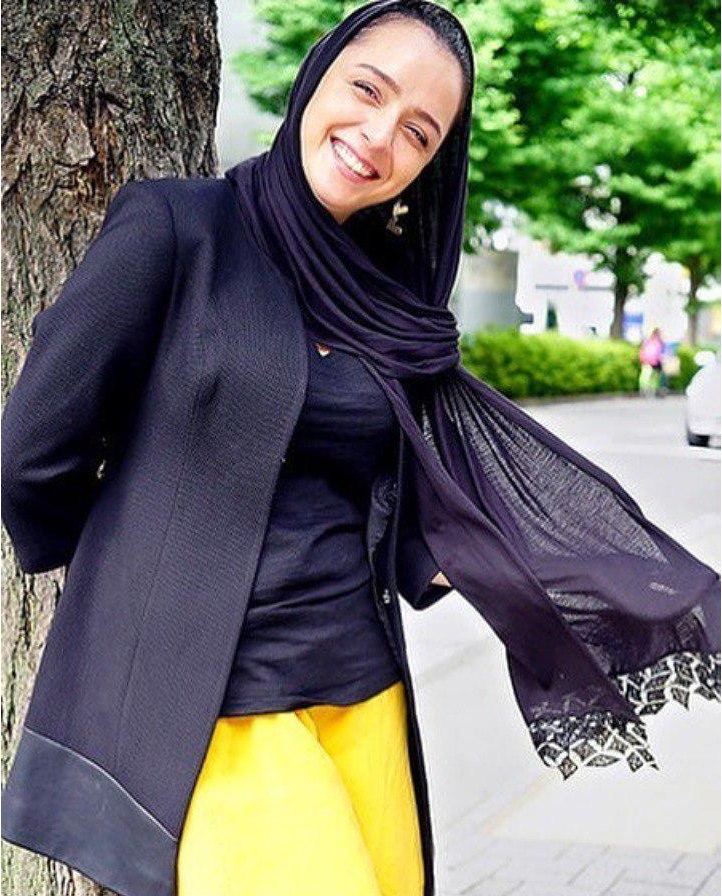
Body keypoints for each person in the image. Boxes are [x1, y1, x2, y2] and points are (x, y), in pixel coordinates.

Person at [1, 3, 719, 896]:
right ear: (318, 75)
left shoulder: (390, 305)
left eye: (419, 132)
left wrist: (562, 568)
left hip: (364, 689)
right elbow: (32, 451)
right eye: (367, 90)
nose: (380, 138)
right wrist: (134, 571)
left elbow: (391, 492)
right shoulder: (179, 229)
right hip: (214, 707)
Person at [638, 326, 665, 397]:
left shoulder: (650, 342)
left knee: (651, 376)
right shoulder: (654, 342)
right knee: (650, 376)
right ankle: (648, 389)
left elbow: (642, 351)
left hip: (651, 361)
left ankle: (650, 389)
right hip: (651, 361)